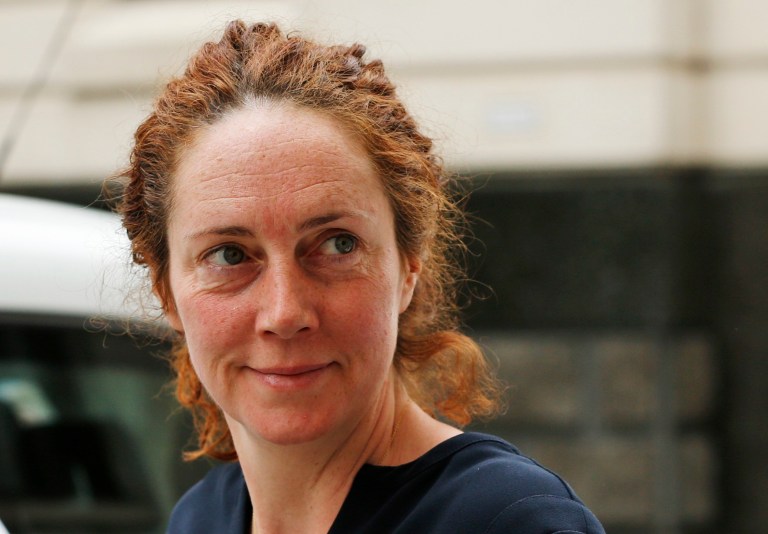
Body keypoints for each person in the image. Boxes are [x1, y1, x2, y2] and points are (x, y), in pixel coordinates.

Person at [111, 20, 605, 534]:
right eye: (230, 255)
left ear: (409, 265)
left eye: (337, 244)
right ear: (166, 291)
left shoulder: (509, 522)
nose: (284, 312)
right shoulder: (199, 519)